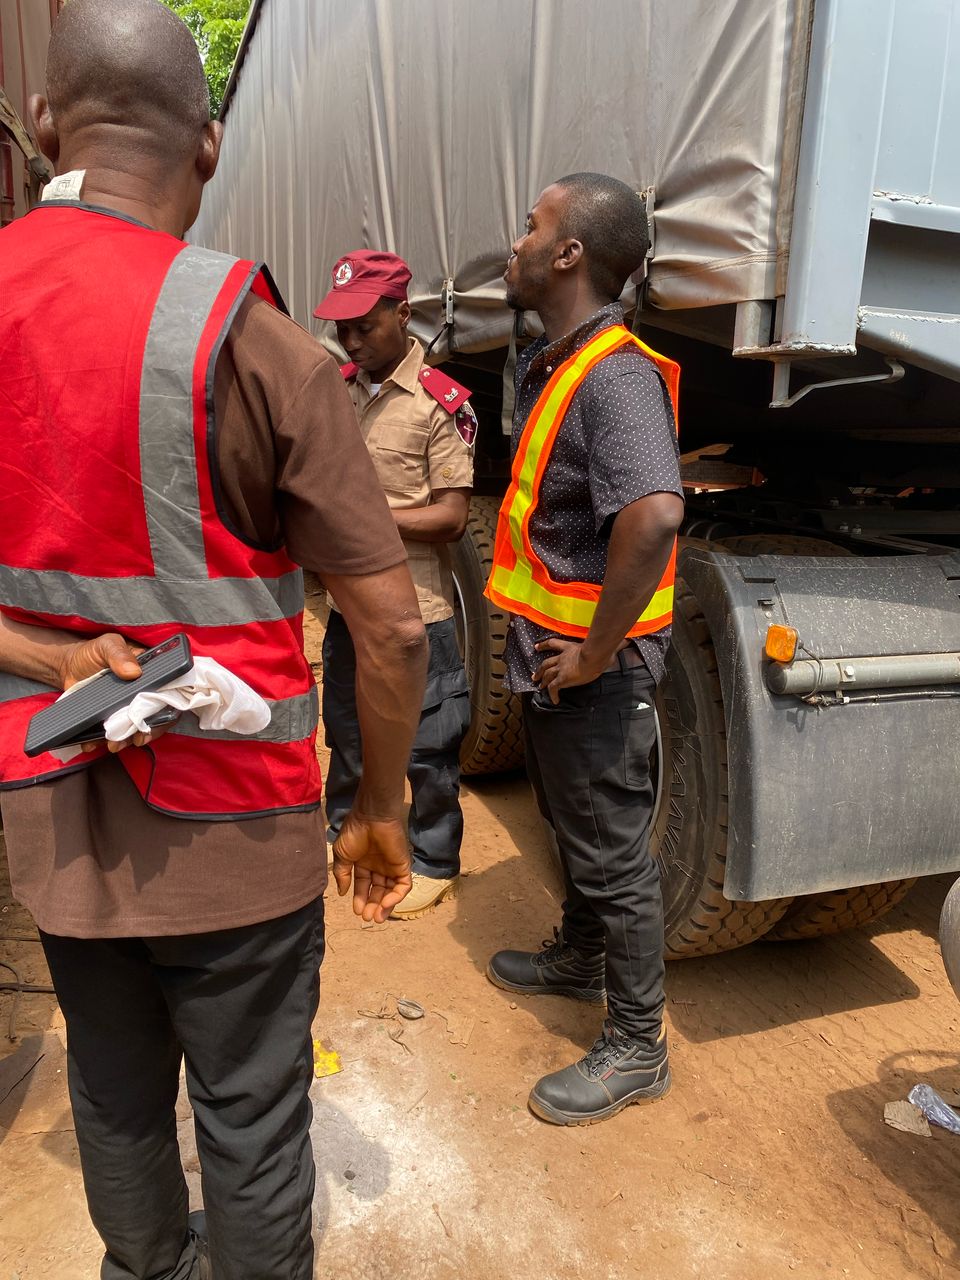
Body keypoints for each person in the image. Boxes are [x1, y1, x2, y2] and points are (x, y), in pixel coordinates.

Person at [0, 3, 428, 1278]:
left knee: (117, 1094)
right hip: (239, 839)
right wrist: (382, 803)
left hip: (59, 823)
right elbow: (393, 628)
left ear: (41, 123)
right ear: (210, 146)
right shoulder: (262, 343)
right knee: (248, 1118)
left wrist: (52, 661)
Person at [484, 173, 685, 1126]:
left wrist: (599, 653)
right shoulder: (565, 359)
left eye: (533, 227)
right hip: (553, 658)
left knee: (614, 857)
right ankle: (578, 955)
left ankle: (639, 1047)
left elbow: (654, 516)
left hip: (595, 674)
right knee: (575, 829)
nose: (515, 241)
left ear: (570, 254)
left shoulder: (613, 373)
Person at [314, 251, 476, 919]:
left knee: (429, 739)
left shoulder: (440, 402)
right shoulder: (339, 390)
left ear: (403, 314)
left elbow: (451, 516)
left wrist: (367, 517)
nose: (351, 341)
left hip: (418, 607)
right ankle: (345, 830)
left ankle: (434, 856)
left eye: (364, 327)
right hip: (347, 603)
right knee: (347, 725)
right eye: (343, 330)